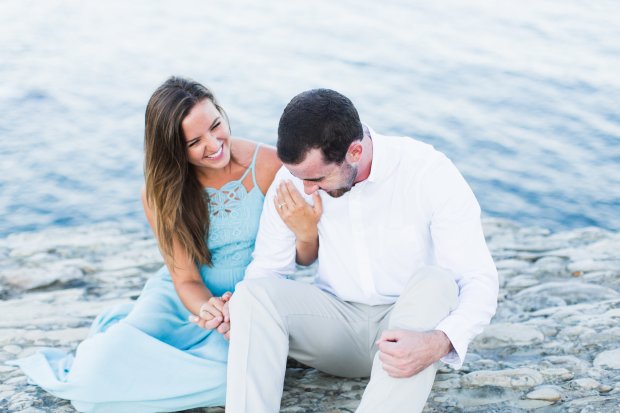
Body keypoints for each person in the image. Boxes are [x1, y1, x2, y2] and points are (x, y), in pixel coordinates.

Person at [8, 77, 317, 412]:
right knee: (90, 381)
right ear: (173, 149)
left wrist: (307, 233)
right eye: (194, 142)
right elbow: (185, 279)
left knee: (230, 381)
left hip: (250, 297)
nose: (214, 144)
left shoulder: (270, 166)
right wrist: (210, 309)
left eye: (216, 125)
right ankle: (118, 343)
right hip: (184, 300)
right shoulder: (160, 192)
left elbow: (301, 259)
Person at [222, 88, 499, 412]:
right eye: (300, 177)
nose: (307, 188)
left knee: (438, 282)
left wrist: (439, 342)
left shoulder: (426, 171)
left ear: (355, 152)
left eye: (317, 178)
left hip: (409, 328)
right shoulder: (295, 180)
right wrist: (240, 315)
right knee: (250, 294)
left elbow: (478, 279)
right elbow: (267, 270)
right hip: (335, 328)